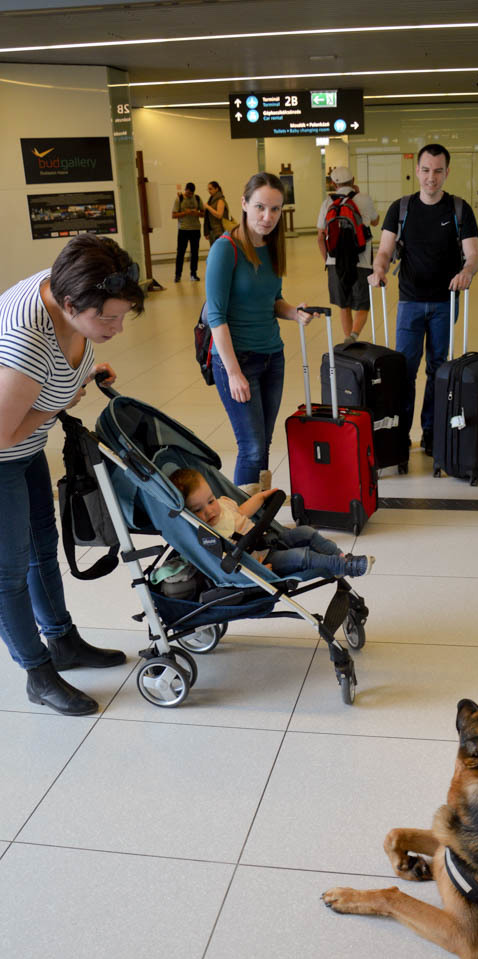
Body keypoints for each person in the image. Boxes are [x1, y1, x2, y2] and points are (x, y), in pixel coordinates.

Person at [0, 235, 144, 716]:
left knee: (43, 547)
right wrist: (58, 402)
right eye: (108, 318)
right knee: (9, 570)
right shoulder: (24, 339)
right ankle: (37, 673)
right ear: (68, 304)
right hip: (2, 450)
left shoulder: (72, 282)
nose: (118, 327)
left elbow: (59, 365)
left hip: (26, 446)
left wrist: (82, 372)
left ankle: (61, 640)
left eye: (123, 315)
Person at [205, 171, 316, 495]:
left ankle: (259, 514)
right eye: (260, 207)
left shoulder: (272, 247)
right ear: (243, 204)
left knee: (264, 443)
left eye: (275, 210)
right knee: (251, 446)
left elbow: (273, 300)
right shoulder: (225, 249)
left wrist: (294, 313)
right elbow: (216, 316)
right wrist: (234, 372)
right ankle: (244, 526)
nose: (267, 217)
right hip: (236, 361)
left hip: (272, 357)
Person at [369, 144, 478, 455]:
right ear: (417, 171)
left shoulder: (459, 209)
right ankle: (400, 435)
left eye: (438, 171)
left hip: (445, 303)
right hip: (409, 302)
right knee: (404, 370)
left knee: (438, 369)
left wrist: (467, 272)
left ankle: (432, 433)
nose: (431, 177)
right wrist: (379, 269)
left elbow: (473, 255)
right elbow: (384, 251)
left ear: (447, 172)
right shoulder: (401, 208)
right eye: (426, 170)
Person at [170, 469, 375, 578]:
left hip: (270, 539)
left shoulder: (223, 505)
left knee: (306, 532)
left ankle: (339, 556)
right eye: (198, 510)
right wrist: (255, 570)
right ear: (188, 512)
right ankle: (344, 566)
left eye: (210, 500)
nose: (209, 510)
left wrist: (261, 497)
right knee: (302, 556)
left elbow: (242, 511)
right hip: (261, 559)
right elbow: (220, 563)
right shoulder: (207, 536)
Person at [316, 166, 379, 341]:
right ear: (353, 181)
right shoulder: (364, 199)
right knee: (362, 305)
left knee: (344, 305)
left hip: (335, 261)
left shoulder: (327, 202)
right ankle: (353, 335)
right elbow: (375, 221)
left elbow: (320, 236)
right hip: (362, 261)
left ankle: (348, 341)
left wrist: (327, 261)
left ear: (333, 183)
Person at [172, 181, 204, 281]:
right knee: (180, 252)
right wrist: (185, 213)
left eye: (191, 194)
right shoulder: (179, 199)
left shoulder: (197, 198)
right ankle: (178, 275)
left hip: (195, 229)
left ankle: (193, 274)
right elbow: (173, 215)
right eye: (188, 193)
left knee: (195, 253)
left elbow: (203, 214)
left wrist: (196, 213)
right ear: (185, 190)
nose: (190, 195)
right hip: (183, 229)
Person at [203, 180, 230, 245]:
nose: (209, 191)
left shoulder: (220, 200)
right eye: (208, 189)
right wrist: (206, 231)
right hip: (213, 230)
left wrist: (208, 207)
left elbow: (219, 215)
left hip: (219, 231)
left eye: (210, 189)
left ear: (216, 189)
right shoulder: (211, 200)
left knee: (219, 252)